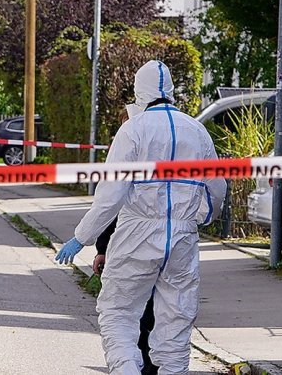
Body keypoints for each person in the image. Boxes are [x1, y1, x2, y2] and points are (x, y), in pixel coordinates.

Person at [55, 60, 226, 375]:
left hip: (137, 235)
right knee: (176, 321)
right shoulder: (197, 131)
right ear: (171, 90)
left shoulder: (133, 129)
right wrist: (204, 216)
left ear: (139, 91)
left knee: (118, 312)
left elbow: (110, 196)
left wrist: (81, 238)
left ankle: (126, 370)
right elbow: (217, 187)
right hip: (182, 239)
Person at [94, 219, 157, 375]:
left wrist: (101, 249)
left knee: (124, 314)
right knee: (155, 315)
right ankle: (148, 364)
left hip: (131, 252)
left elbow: (110, 211)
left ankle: (139, 364)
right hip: (170, 251)